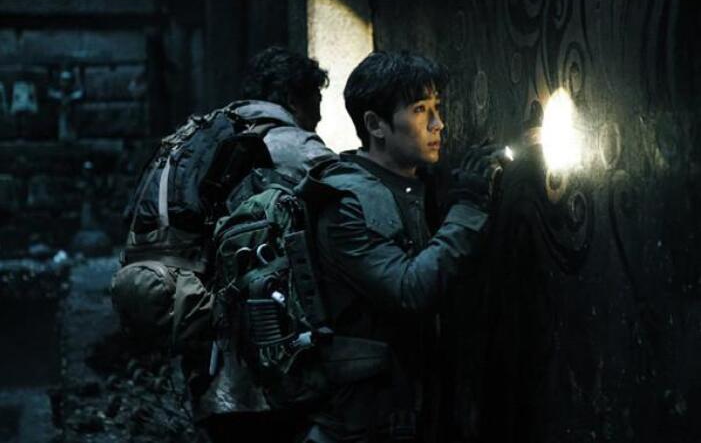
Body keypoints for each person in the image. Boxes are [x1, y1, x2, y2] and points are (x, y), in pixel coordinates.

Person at [298, 51, 504, 442]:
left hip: (412, 412)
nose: (438, 124)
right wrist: (468, 207)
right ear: (375, 125)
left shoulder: (414, 185)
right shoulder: (347, 203)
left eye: (437, 107)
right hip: (361, 425)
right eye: (420, 110)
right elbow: (409, 290)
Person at [175, 46, 336, 442]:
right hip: (274, 349)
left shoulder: (199, 141)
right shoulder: (299, 149)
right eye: (315, 101)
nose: (319, 115)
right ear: (293, 98)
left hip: (205, 349)